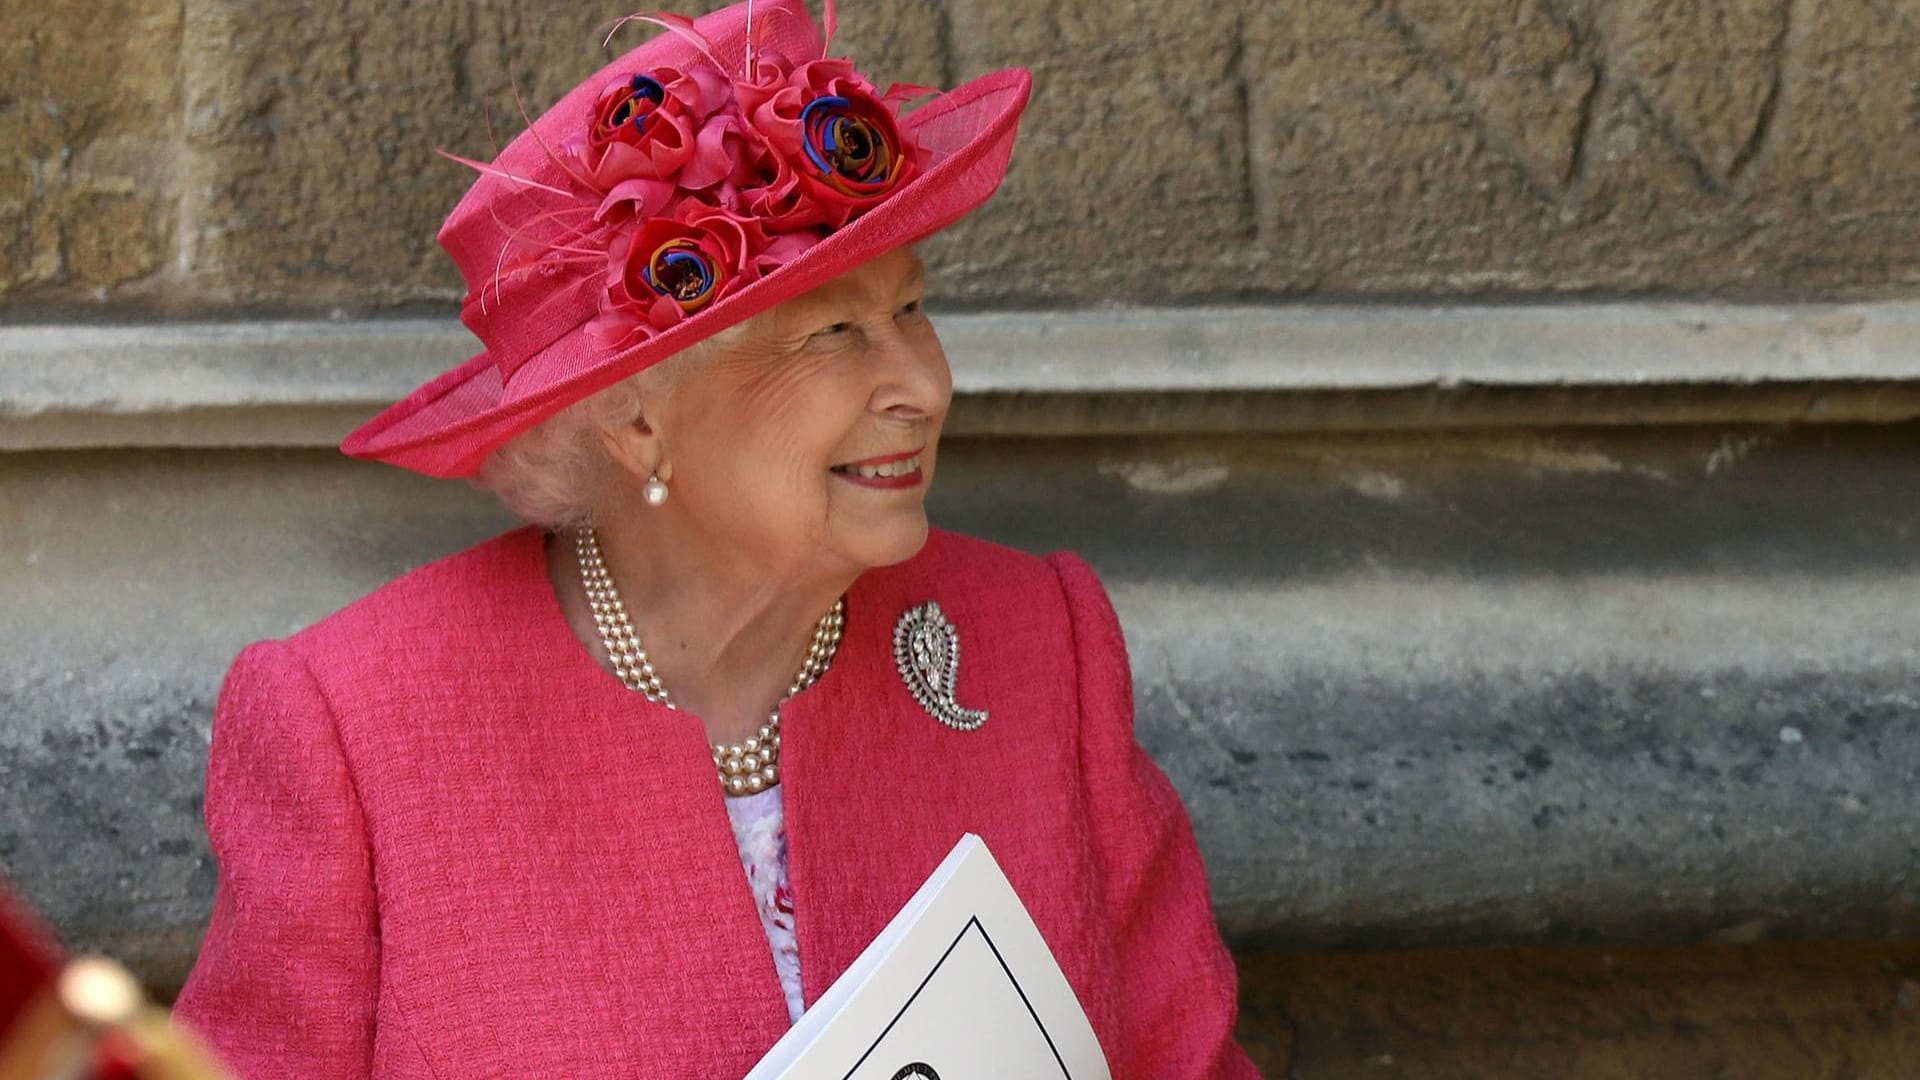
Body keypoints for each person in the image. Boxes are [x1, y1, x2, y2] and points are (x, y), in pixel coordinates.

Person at [174, 2, 1260, 1076]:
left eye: (913, 311)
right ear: (638, 416)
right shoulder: (353, 728)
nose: (923, 387)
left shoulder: (1040, 643)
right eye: (833, 332)